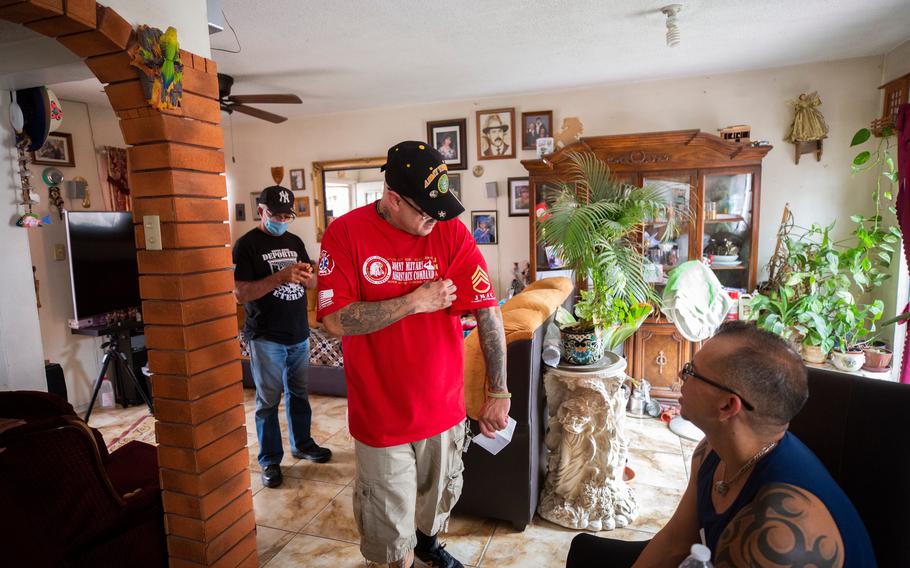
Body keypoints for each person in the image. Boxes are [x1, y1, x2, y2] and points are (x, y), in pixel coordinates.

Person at [317, 141, 510, 568]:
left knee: (437, 501)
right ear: (392, 198)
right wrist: (413, 302)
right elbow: (334, 320)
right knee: (389, 537)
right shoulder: (346, 233)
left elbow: (487, 309)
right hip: (382, 417)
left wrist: (500, 389)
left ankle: (429, 545)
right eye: (423, 211)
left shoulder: (448, 230)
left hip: (443, 409)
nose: (432, 221)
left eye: (439, 210)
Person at [566, 321, 876, 568]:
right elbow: (677, 542)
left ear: (728, 407)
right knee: (585, 552)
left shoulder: (778, 534)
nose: (679, 375)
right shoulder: (713, 449)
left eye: (691, 372)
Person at [233, 185, 332, 489]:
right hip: (266, 337)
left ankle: (302, 444)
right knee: (267, 401)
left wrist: (309, 277)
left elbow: (312, 282)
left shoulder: (295, 240)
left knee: (299, 394)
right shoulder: (246, 245)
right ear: (261, 211)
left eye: (287, 215)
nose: (282, 220)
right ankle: (270, 460)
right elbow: (240, 294)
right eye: (276, 215)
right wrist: (280, 276)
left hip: (298, 334)